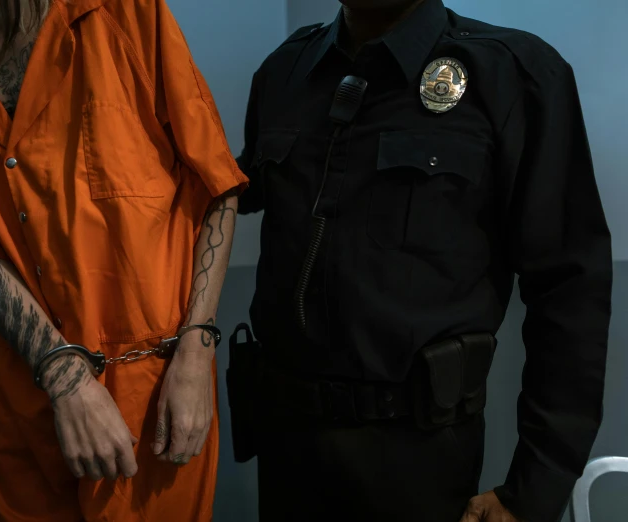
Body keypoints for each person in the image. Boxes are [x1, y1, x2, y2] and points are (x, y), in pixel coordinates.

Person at [235, 0, 611, 521]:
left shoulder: (510, 71)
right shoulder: (285, 71)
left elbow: (570, 288)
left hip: (419, 458)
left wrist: (534, 489)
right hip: (287, 452)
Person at [0, 0, 248, 520]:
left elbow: (217, 185)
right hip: (28, 407)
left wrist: (196, 355)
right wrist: (67, 380)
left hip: (151, 400)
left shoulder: (128, 18)